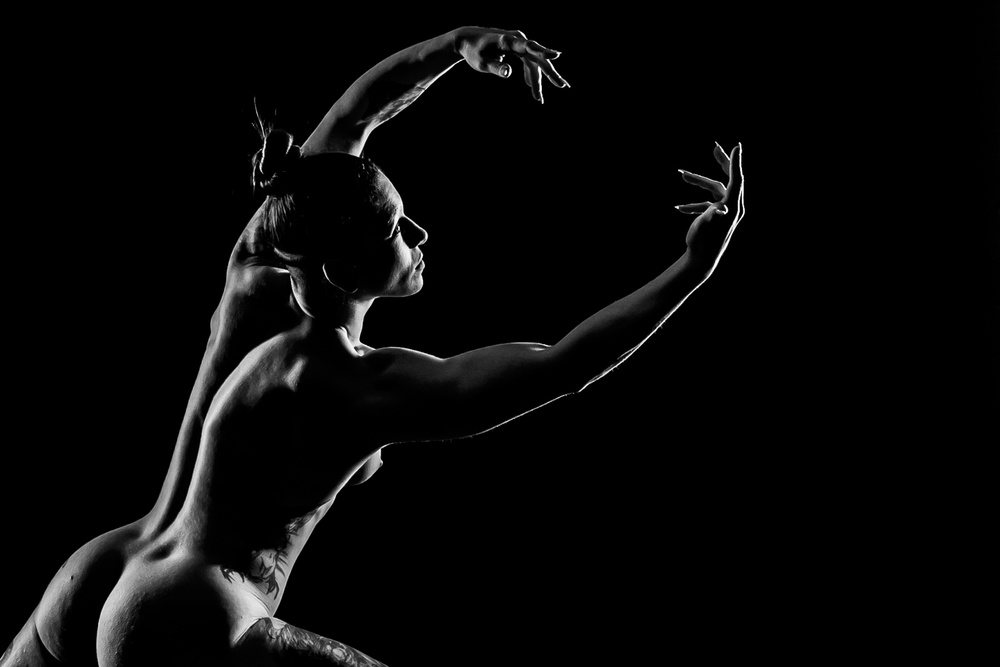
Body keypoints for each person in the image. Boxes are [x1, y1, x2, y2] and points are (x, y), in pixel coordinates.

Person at [2, 25, 743, 667]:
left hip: (103, 568)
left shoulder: (264, 259)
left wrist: (458, 44)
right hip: (187, 608)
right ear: (343, 271)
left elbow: (355, 119)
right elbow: (562, 366)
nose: (419, 233)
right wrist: (693, 268)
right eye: (394, 228)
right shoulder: (352, 385)